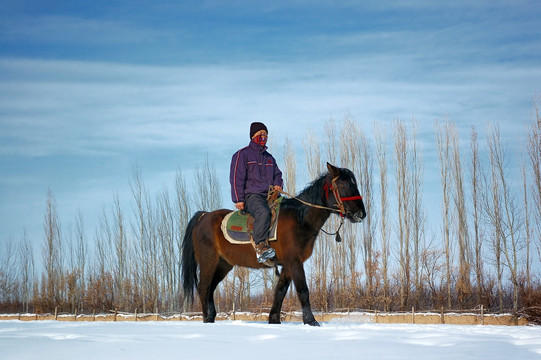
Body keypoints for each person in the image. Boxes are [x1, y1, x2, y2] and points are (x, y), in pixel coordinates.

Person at [230, 122, 283, 263]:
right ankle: (261, 246)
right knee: (263, 212)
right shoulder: (242, 155)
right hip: (251, 196)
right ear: (252, 135)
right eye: (260, 134)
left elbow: (278, 174)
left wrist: (278, 184)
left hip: (270, 196)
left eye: (265, 134)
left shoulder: (269, 158)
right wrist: (238, 199)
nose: (263, 137)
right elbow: (236, 177)